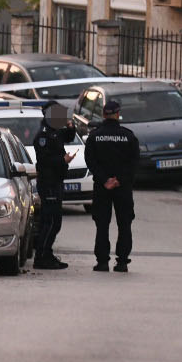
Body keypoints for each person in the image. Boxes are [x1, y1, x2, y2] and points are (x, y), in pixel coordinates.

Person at [84, 98, 140, 273]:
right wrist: (119, 180)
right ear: (118, 114)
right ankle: (122, 262)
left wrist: (104, 180)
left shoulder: (95, 136)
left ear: (103, 114)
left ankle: (102, 262)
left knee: (102, 224)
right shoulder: (128, 136)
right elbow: (134, 162)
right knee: (124, 224)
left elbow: (90, 161)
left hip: (102, 188)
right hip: (122, 188)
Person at [32, 102, 75, 270]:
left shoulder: (54, 131)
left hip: (56, 181)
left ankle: (47, 254)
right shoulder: (43, 135)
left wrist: (70, 124)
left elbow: (69, 137)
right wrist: (62, 160)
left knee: (55, 221)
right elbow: (43, 160)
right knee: (50, 222)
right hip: (48, 182)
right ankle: (41, 256)